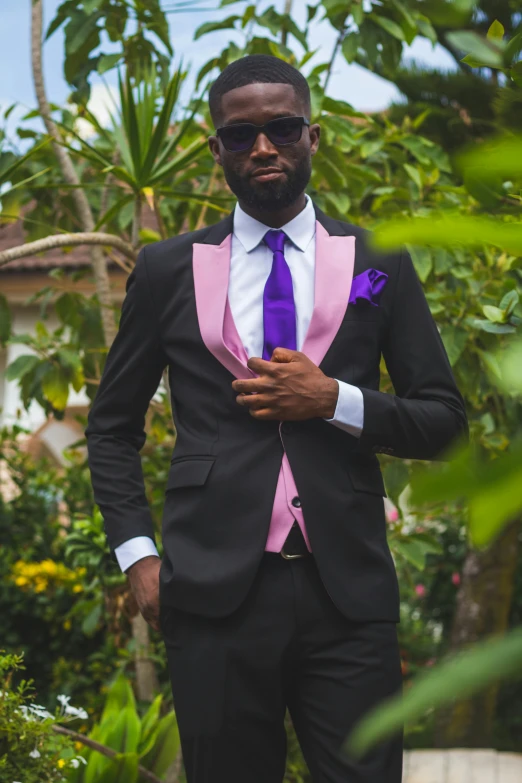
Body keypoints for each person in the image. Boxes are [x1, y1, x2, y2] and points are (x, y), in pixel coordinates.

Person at [85, 54, 468, 783]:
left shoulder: (376, 260)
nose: (263, 147)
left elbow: (444, 421)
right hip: (213, 593)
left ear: (312, 136)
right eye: (241, 135)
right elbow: (111, 428)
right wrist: (138, 554)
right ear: (216, 150)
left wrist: (334, 400)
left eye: (282, 128)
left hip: (346, 593)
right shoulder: (168, 268)